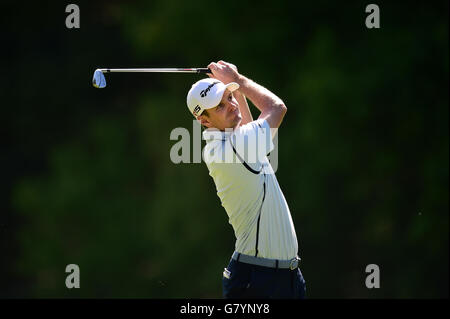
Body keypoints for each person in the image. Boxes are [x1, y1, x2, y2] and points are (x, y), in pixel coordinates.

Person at [186, 60, 306, 299]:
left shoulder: (230, 142)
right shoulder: (235, 147)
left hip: (281, 277)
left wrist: (233, 87)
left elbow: (248, 127)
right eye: (219, 107)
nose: (231, 106)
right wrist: (238, 80)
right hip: (259, 281)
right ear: (205, 121)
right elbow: (277, 108)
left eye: (229, 98)